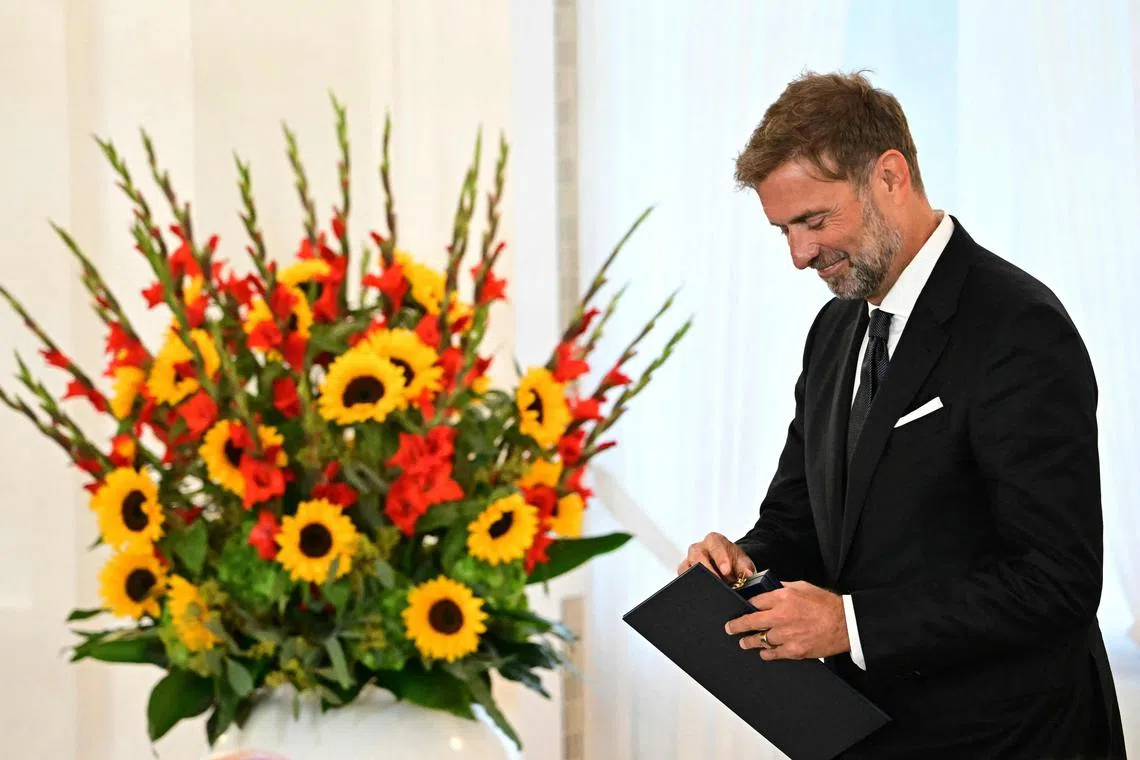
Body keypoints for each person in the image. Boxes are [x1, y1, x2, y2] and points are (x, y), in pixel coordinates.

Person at [678, 71, 1126, 759]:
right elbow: (802, 521)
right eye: (783, 230)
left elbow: (1057, 581)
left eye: (814, 221)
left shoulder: (1018, 326)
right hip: (866, 733)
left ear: (890, 176)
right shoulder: (833, 332)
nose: (799, 256)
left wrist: (849, 624)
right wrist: (742, 564)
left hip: (1012, 739)